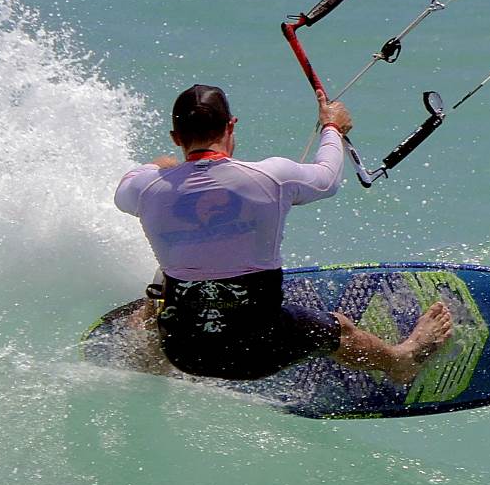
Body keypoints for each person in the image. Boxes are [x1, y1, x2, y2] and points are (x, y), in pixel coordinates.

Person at [113, 84, 452, 383]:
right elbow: (328, 177)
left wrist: (161, 167)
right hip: (261, 353)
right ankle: (400, 362)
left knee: (166, 280)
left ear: (176, 138)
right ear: (231, 126)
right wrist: (332, 127)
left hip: (184, 354)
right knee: (339, 328)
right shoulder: (272, 177)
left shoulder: (145, 189)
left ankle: (149, 353)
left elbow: (127, 185)